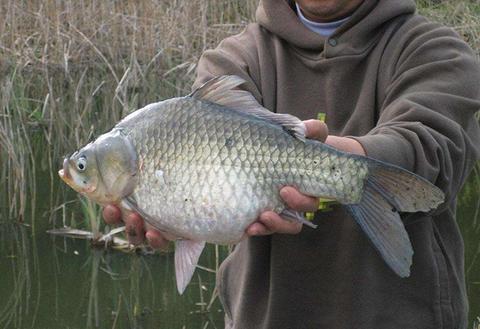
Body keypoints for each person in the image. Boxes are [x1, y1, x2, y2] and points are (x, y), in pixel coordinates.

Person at [103, 0, 480, 328]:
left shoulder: (436, 50)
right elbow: (204, 193)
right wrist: (177, 218)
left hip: (399, 317)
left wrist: (339, 161)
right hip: (266, 318)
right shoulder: (234, 60)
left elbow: (437, 153)